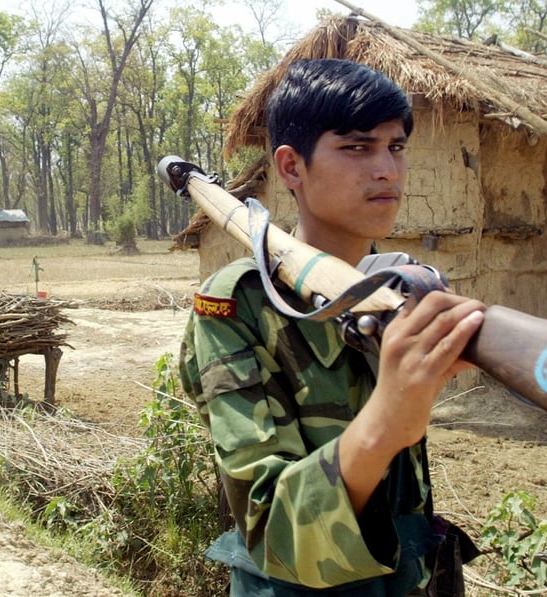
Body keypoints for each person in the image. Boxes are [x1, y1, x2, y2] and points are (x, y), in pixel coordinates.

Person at [179, 58, 487, 595]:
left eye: (395, 147)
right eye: (357, 147)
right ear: (292, 167)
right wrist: (389, 419)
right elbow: (270, 524)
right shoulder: (239, 306)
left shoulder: (397, 288)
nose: (387, 169)